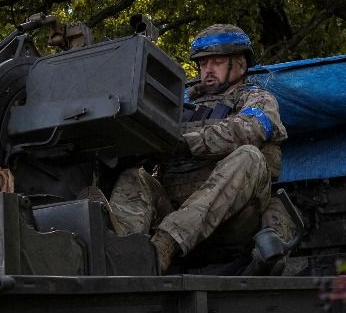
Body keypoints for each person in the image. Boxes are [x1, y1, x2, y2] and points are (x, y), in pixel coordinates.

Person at [109, 24, 287, 272]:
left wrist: (183, 140)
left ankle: (164, 246)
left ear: (240, 65)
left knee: (250, 156)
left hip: (231, 222)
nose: (208, 70)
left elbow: (250, 129)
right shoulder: (180, 104)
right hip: (175, 208)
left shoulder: (257, 98)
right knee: (134, 177)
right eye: (203, 64)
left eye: (216, 62)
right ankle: (123, 255)